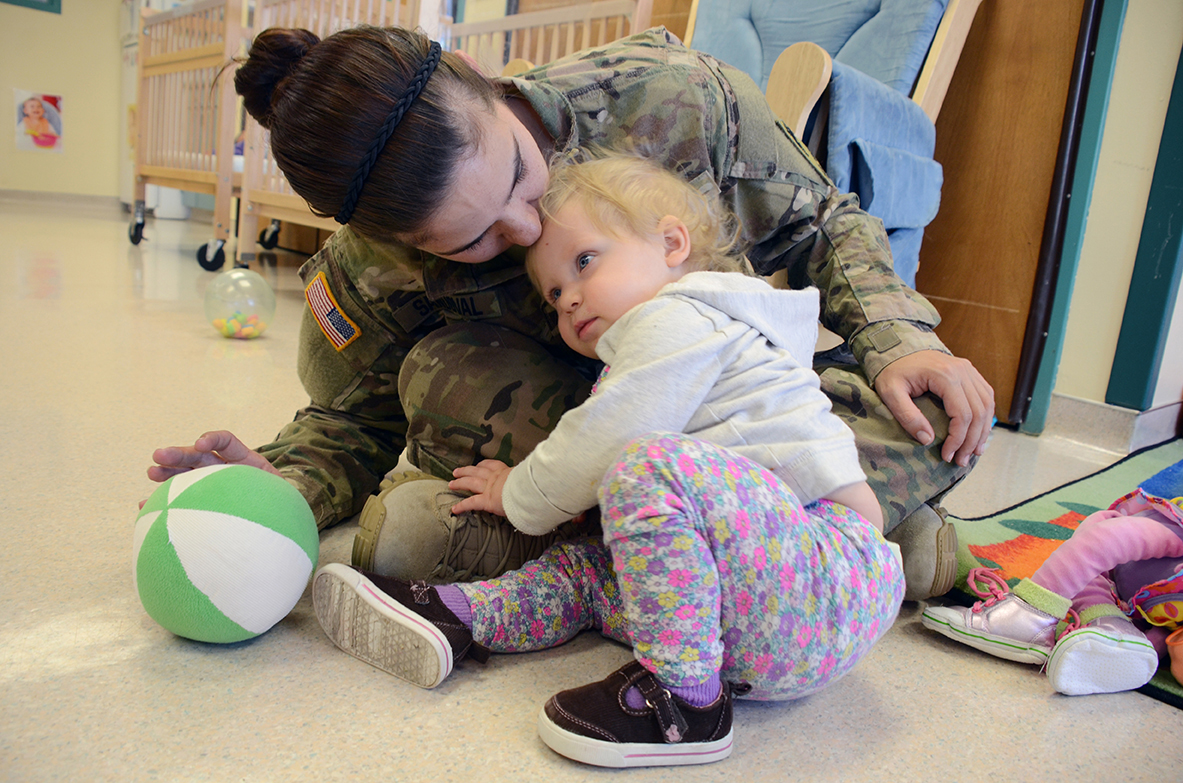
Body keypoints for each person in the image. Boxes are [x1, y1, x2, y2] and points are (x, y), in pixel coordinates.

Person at [148, 25, 994, 599]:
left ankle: (620, 559)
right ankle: (838, 543)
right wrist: (280, 491)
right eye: (472, 240)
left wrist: (895, 339)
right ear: (391, 239)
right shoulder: (367, 267)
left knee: (927, 405)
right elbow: (350, 419)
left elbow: (820, 221)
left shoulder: (673, 99)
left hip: (728, 413)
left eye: (519, 174)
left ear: (479, 78)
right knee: (440, 382)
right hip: (577, 442)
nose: (526, 228)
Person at [311, 151, 905, 767]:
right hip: (745, 613)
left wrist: (520, 493)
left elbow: (608, 436)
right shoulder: (664, 341)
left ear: (672, 243)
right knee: (591, 569)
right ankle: (463, 618)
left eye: (585, 262)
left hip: (825, 572)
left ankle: (687, 703)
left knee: (643, 466)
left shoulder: (686, 313)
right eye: (555, 293)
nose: (568, 300)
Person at [921, 488, 1183, 695]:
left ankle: (1114, 629)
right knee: (1095, 541)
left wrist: (1153, 649)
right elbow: (1113, 538)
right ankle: (1031, 614)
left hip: (1139, 605)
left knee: (1119, 624)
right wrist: (1040, 601)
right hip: (1124, 546)